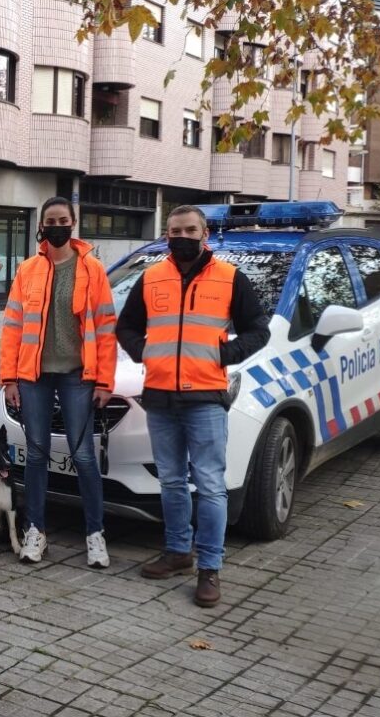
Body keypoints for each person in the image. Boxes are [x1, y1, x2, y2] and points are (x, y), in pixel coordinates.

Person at [115, 205, 270, 607]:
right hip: (161, 398)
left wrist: (227, 354)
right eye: (173, 230)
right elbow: (126, 326)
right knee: (170, 481)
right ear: (166, 235)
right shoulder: (151, 277)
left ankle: (210, 568)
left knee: (211, 486)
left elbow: (258, 329)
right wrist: (143, 352)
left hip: (205, 398)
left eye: (189, 230)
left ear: (205, 234)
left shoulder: (229, 278)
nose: (180, 236)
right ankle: (178, 552)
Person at [0, 196, 117, 568]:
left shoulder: (92, 269)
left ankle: (95, 534)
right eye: (50, 221)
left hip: (77, 377)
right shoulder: (27, 270)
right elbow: (12, 327)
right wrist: (10, 377)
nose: (56, 226)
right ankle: (36, 531)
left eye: (63, 220)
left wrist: (104, 381)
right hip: (33, 376)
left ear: (73, 223)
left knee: (83, 456)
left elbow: (106, 328)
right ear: (42, 226)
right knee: (35, 455)